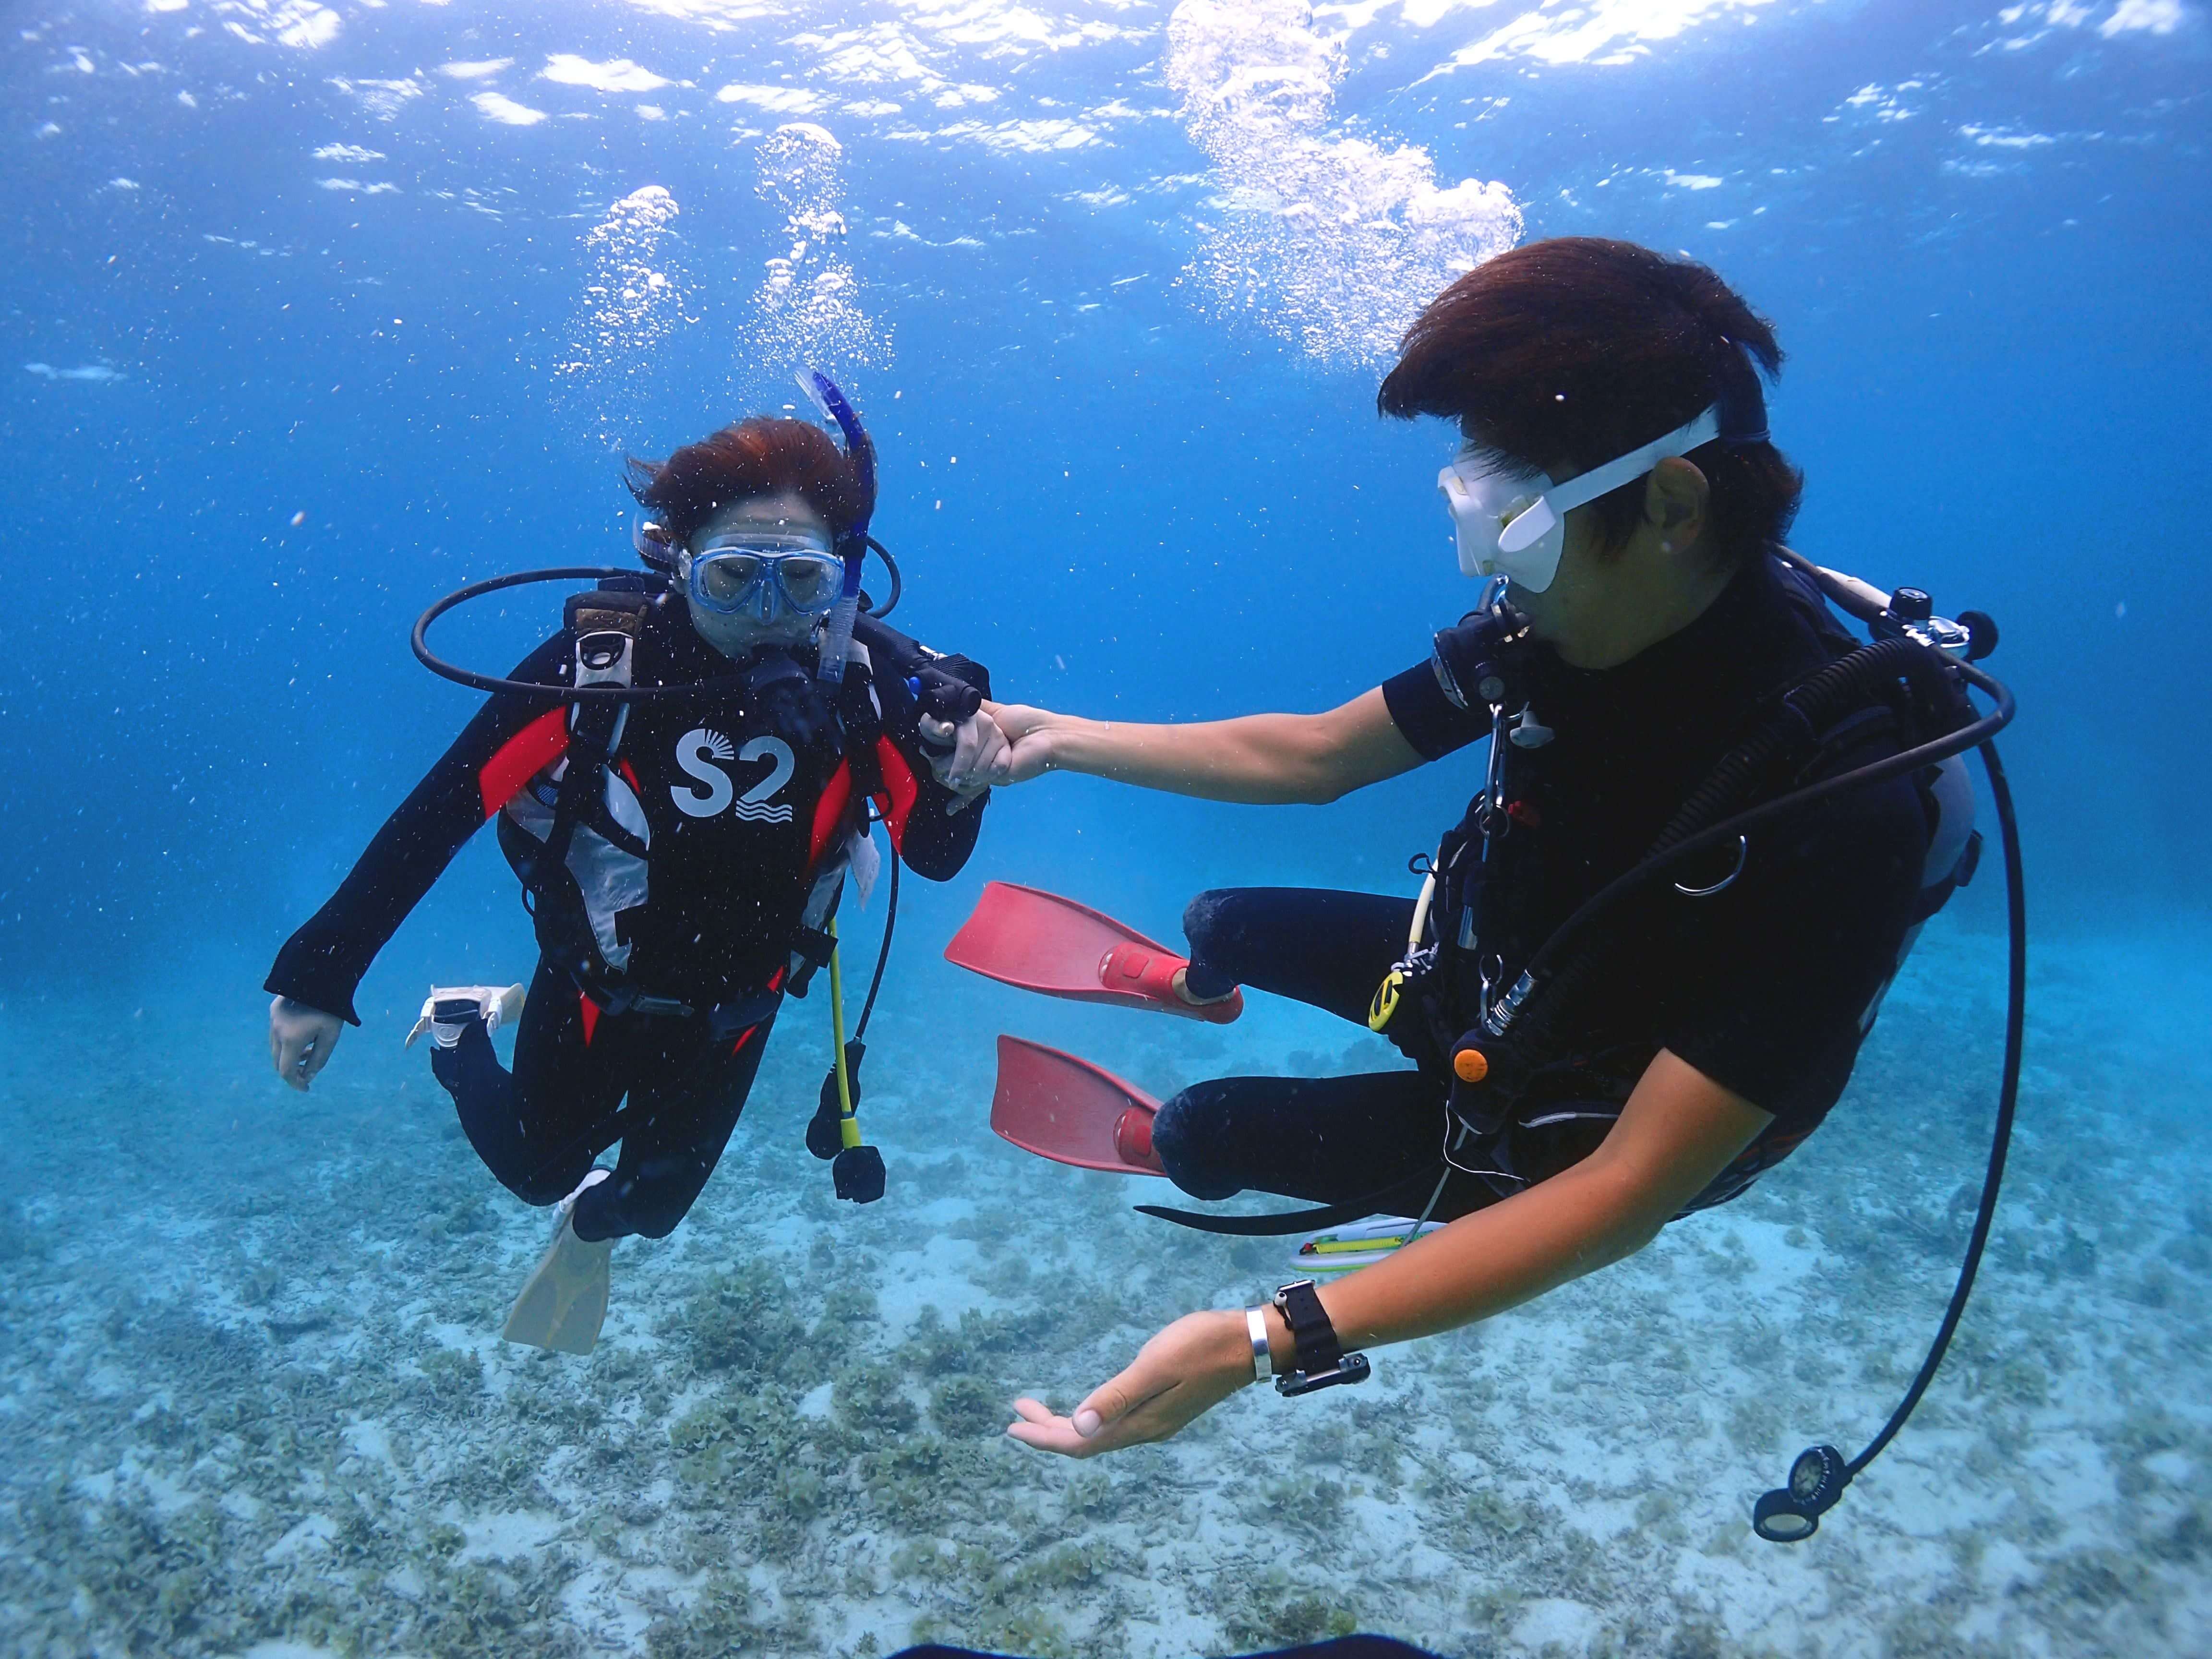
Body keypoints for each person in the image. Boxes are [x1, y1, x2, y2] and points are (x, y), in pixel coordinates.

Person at [951, 239, 1979, 1455]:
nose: (1485, 563)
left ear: (1673, 504)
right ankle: (1198, 988)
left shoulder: (1841, 802)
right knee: (1222, 919)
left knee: (1202, 1136)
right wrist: (1061, 739)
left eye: (1518, 523)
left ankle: (1149, 1135)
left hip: (1571, 1127)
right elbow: (1315, 757)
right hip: (1494, 976)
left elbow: (1625, 1194)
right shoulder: (1552, 628)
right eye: (1475, 507)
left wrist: (1264, 1340)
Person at [265, 403, 1008, 1353]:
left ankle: (588, 1231)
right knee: (536, 1168)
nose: (769, 618)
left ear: (844, 577)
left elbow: (934, 856)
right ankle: (460, 1031)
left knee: (651, 1207)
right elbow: (440, 813)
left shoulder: (858, 686)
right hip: (594, 987)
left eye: (803, 584)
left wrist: (963, 779)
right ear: (674, 554)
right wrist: (320, 973)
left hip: (741, 1005)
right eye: (735, 578)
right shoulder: (602, 671)